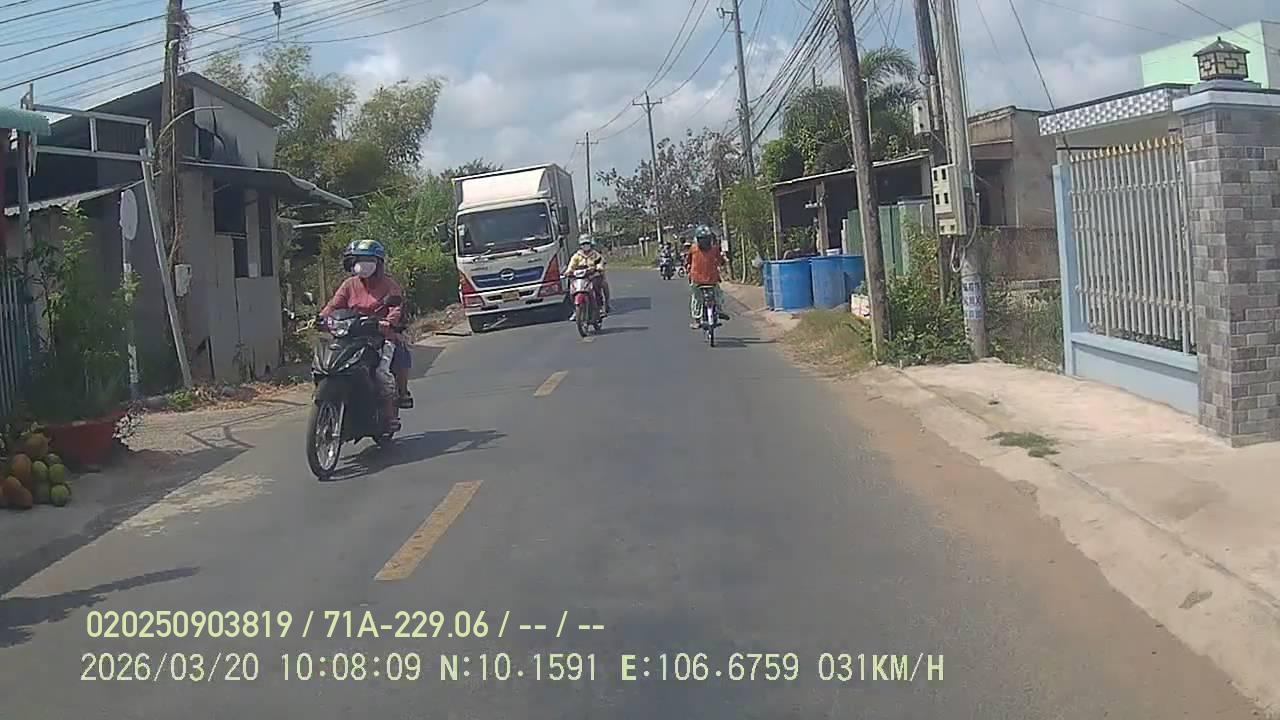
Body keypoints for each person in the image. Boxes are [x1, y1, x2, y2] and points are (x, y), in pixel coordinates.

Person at [320, 239, 412, 432]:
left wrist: (388, 322)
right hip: (350, 335)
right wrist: (321, 317)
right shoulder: (349, 284)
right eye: (359, 260)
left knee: (381, 373)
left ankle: (389, 413)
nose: (363, 264)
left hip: (380, 336)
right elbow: (334, 305)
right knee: (330, 363)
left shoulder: (389, 285)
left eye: (368, 260)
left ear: (379, 263)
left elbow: (396, 308)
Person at [686, 226, 731, 329]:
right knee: (718, 294)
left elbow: (688, 261)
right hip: (712, 279)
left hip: (697, 280)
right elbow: (720, 261)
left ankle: (697, 320)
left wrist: (688, 270)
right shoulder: (714, 249)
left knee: (696, 299)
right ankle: (719, 309)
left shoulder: (693, 248)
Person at [565, 235, 611, 315]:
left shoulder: (595, 255)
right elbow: (571, 266)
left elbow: (600, 263)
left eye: (587, 243)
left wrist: (599, 268)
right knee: (572, 290)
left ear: (590, 244)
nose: (585, 246)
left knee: (598, 286)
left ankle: (600, 306)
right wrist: (568, 272)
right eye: (583, 244)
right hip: (580, 278)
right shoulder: (577, 256)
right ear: (580, 245)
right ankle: (575, 309)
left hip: (593, 276)